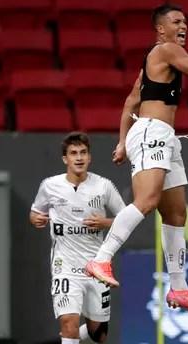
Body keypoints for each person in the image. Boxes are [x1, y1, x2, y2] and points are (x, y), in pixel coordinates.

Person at [85, 3, 188, 316]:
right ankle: (101, 258)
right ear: (160, 29)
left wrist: (121, 142)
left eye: (185, 20)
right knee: (147, 200)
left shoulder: (154, 62)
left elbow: (131, 100)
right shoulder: (167, 49)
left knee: (176, 215)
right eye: (176, 21)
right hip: (152, 132)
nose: (183, 25)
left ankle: (180, 288)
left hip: (163, 136)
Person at [30, 132, 126, 344]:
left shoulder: (104, 186)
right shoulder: (49, 186)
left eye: (83, 153)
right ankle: (67, 337)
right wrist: (35, 219)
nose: (79, 158)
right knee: (68, 322)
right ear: (65, 159)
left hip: (95, 267)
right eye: (73, 153)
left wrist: (104, 223)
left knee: (97, 334)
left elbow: (128, 218)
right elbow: (35, 212)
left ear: (90, 157)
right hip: (64, 266)